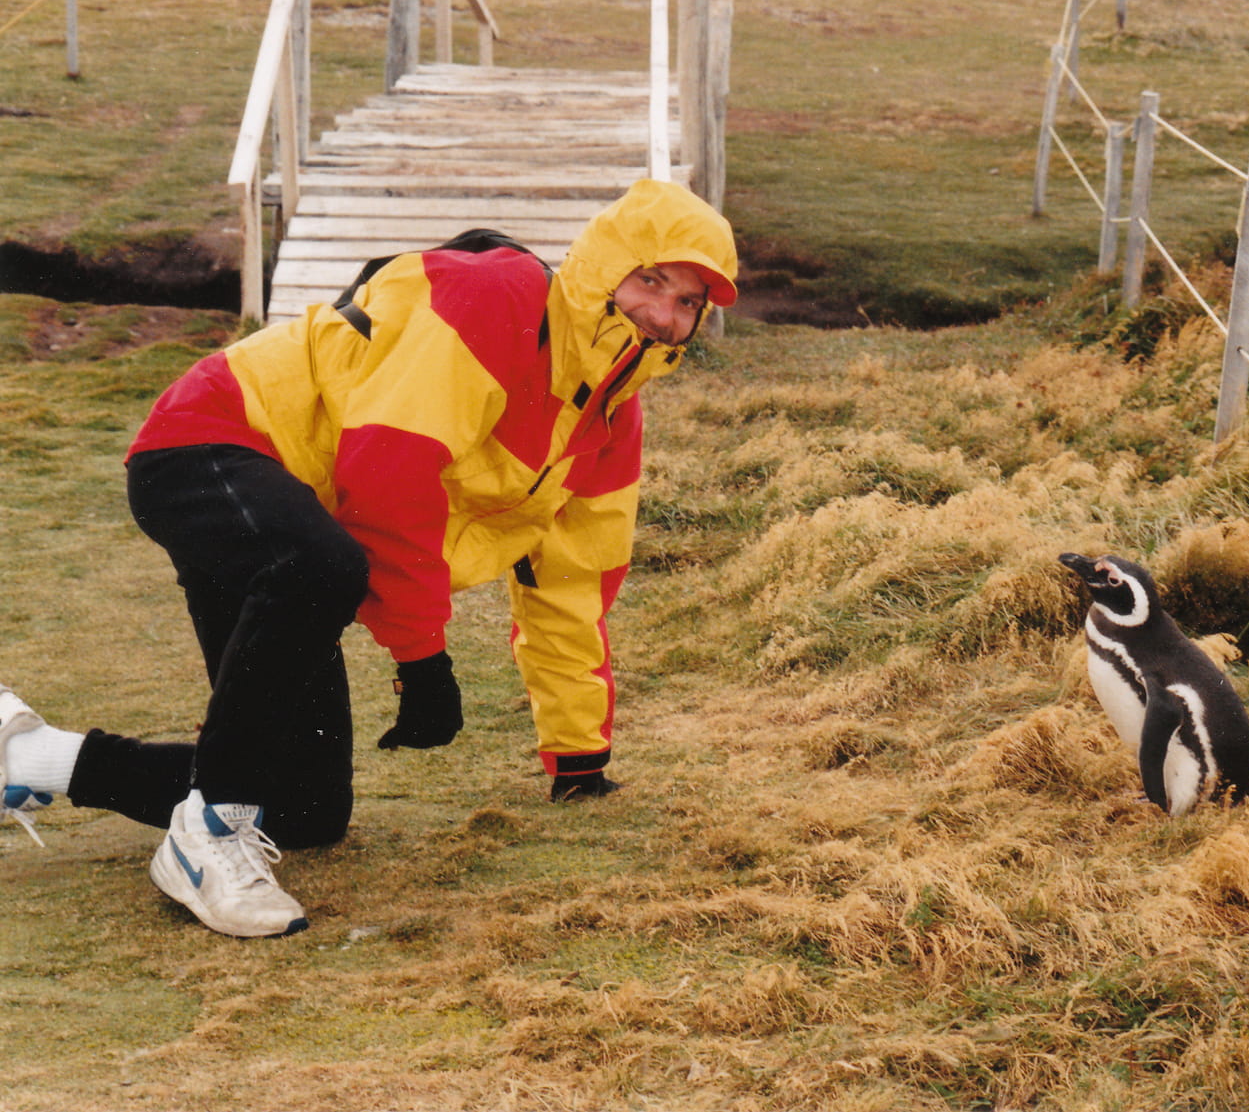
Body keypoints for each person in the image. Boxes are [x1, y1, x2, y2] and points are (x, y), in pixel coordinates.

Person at [0, 178, 738, 938]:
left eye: (688, 303)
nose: (662, 313)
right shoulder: (500, 297)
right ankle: (208, 835)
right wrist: (422, 659)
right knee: (330, 565)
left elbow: (572, 581)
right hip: (209, 443)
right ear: (608, 262)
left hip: (303, 529)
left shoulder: (609, 423)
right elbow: (389, 478)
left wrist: (578, 756)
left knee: (307, 807)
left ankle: (36, 756)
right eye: (652, 279)